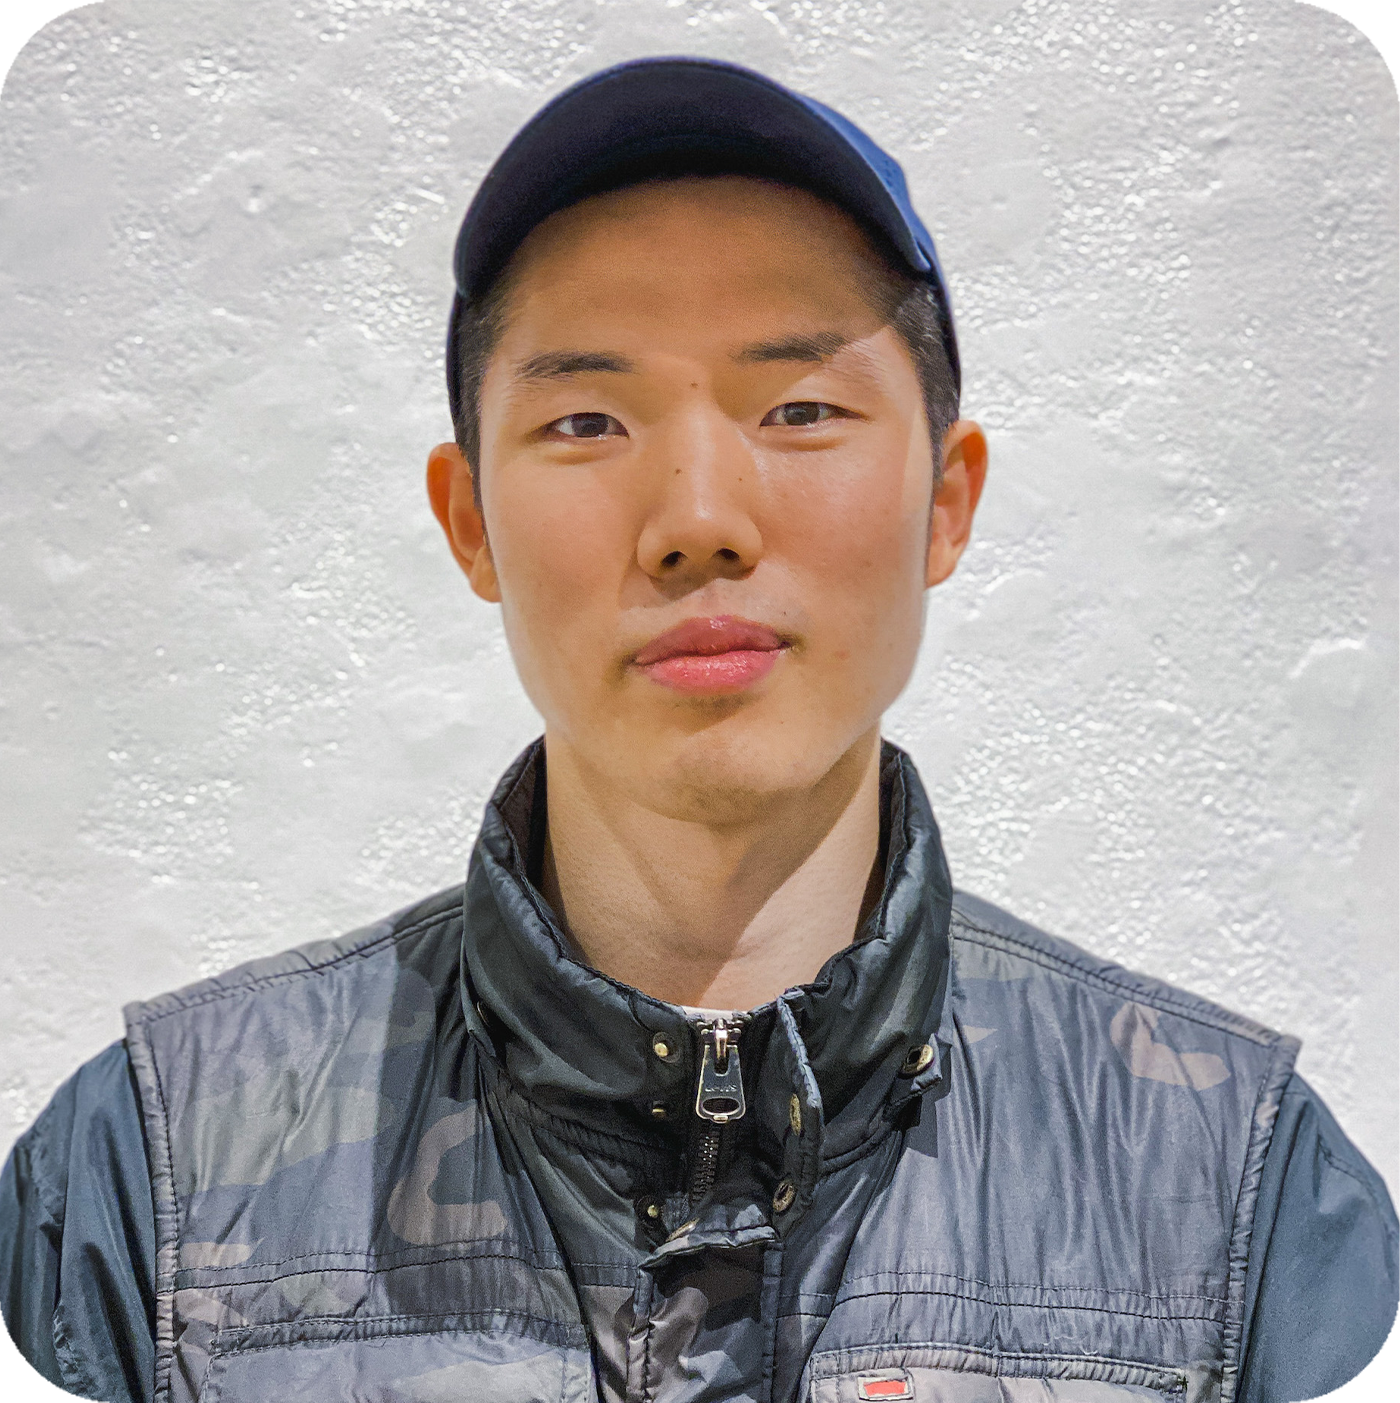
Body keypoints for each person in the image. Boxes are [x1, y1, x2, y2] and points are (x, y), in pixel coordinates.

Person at [1, 56, 1396, 1403]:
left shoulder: (1236, 1204)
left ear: (948, 501)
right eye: (590, 418)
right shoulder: (145, 1193)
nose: (699, 520)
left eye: (798, 408)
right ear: (470, 517)